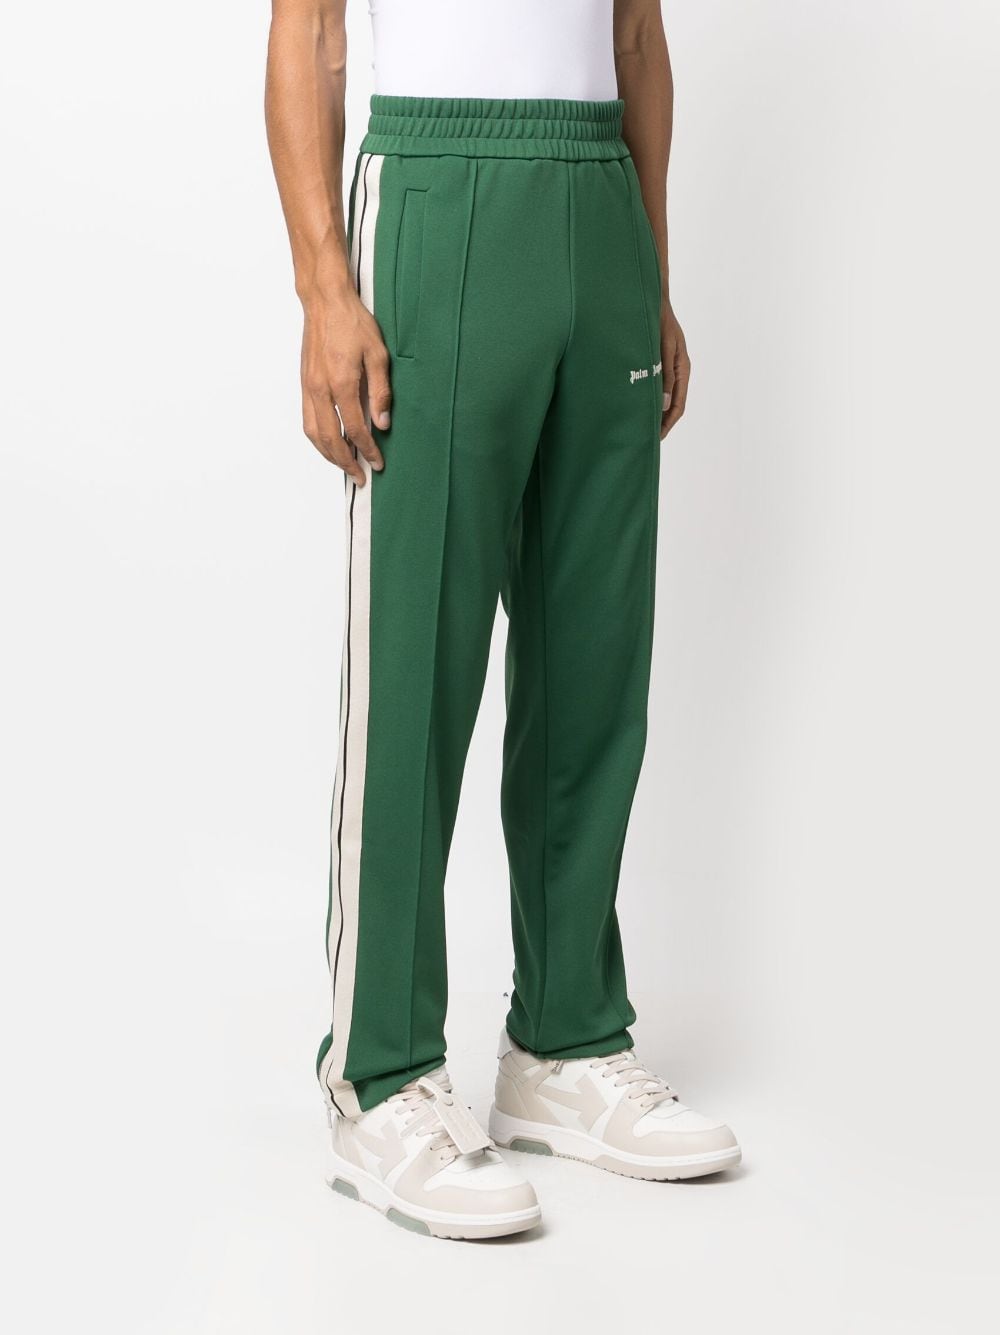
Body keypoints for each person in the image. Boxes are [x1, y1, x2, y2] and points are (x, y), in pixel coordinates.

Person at [265, 0, 739, 1240]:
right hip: (438, 188)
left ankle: (564, 1042)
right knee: (413, 668)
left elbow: (634, 39)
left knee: (595, 660)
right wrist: (324, 291)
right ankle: (379, 1076)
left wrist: (651, 269)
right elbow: (310, 34)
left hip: (600, 204)